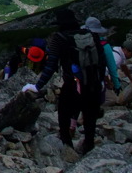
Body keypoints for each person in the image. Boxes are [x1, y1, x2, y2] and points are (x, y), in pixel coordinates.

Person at [23, 9, 110, 155]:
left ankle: (68, 146)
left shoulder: (59, 38)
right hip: (93, 83)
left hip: (73, 84)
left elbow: (51, 65)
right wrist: (101, 81)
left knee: (63, 112)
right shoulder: (91, 35)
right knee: (90, 116)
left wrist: (37, 86)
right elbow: (101, 61)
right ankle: (89, 146)